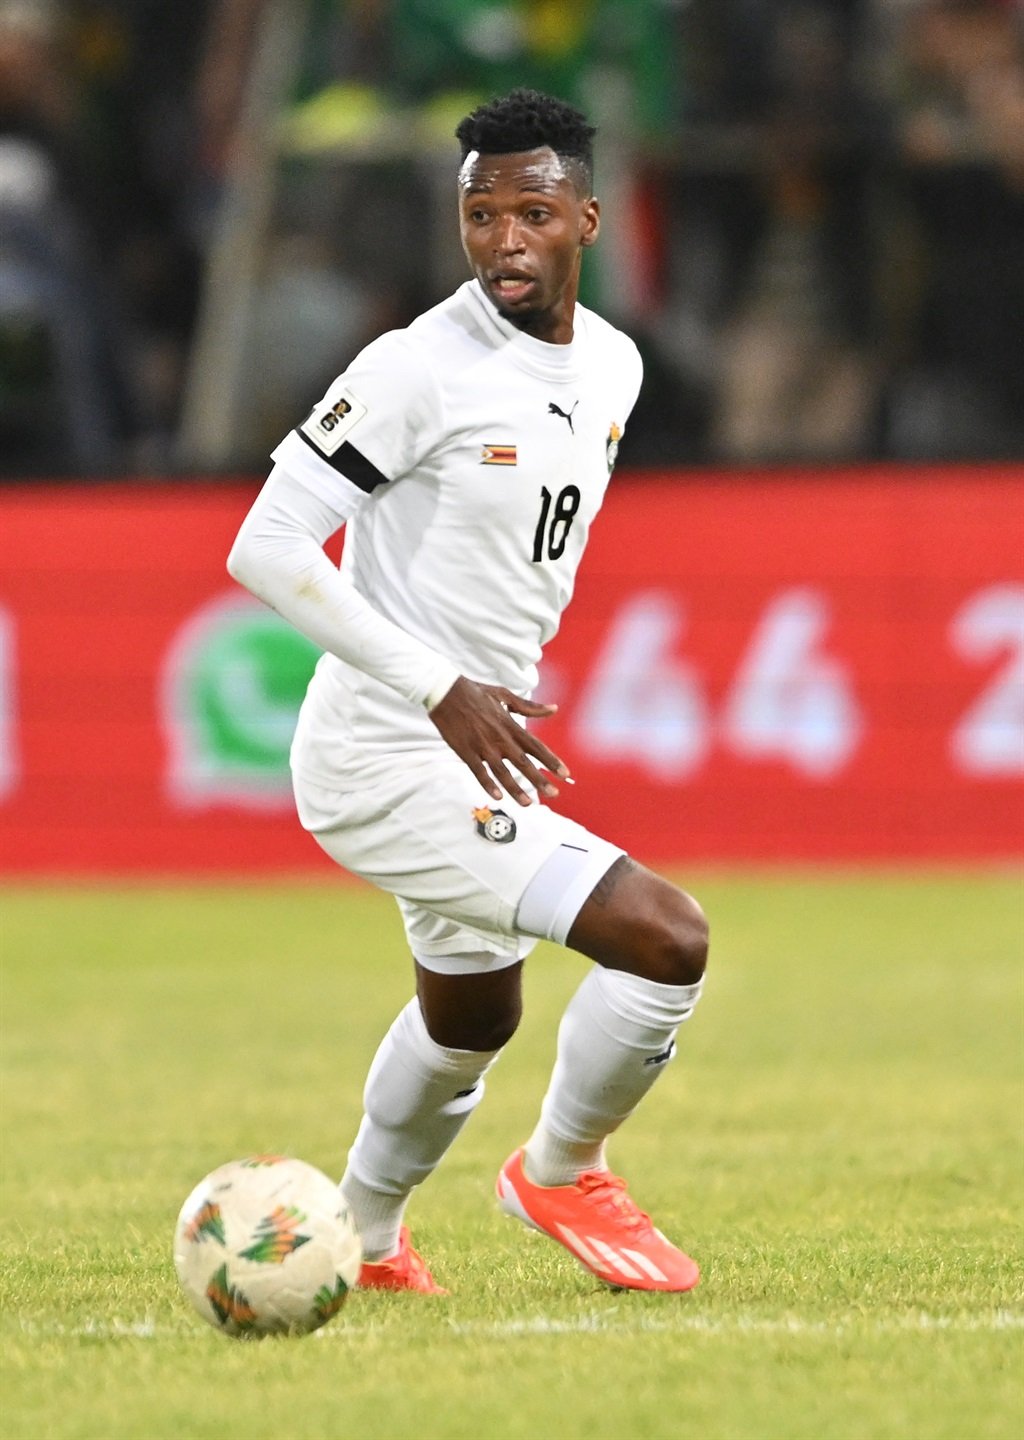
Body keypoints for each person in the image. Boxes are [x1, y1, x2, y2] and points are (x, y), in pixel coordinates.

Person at [227, 88, 709, 1294]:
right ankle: (560, 1169)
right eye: (480, 214)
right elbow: (268, 548)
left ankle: (366, 1240)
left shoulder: (613, 365)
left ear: (586, 219)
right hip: (385, 750)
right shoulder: (413, 369)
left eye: (532, 213)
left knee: (469, 1020)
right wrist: (443, 685)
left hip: (473, 749)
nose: (504, 240)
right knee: (664, 939)